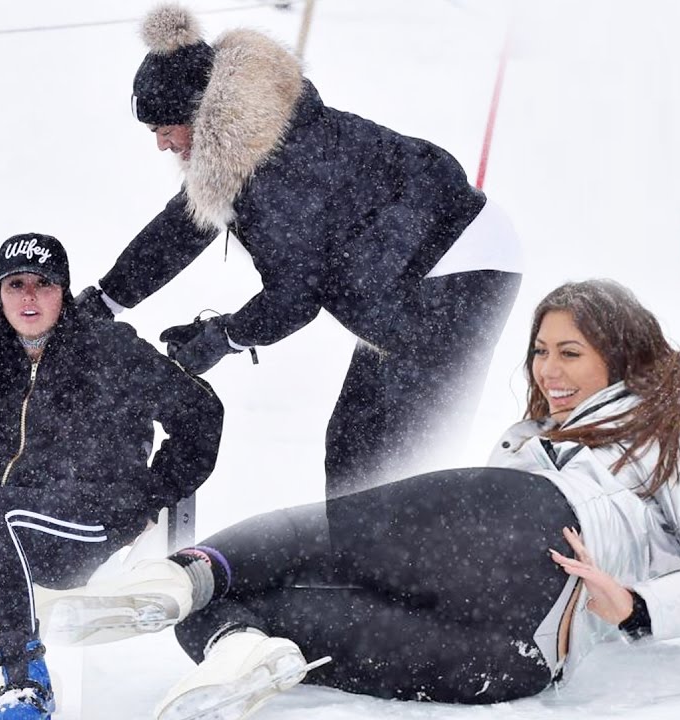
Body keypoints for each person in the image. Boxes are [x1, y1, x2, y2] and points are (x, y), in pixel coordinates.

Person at [51, 279, 680, 720]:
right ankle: (236, 643)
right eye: (540, 352)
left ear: (625, 353)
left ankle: (181, 571)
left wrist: (635, 605)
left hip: (539, 534)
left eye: (571, 352)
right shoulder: (529, 441)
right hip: (517, 658)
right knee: (236, 614)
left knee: (328, 535)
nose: (548, 371)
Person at [74, 3, 523, 498]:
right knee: (355, 449)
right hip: (412, 270)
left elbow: (296, 295)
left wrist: (223, 337)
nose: (162, 145)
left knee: (400, 455)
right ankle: (364, 544)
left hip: (458, 265)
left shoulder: (277, 167)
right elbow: (183, 227)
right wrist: (107, 299)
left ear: (201, 114)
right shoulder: (248, 139)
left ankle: (417, 544)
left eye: (165, 130)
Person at [0, 233, 225, 720]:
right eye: (16, 284)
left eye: (43, 284)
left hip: (90, 523)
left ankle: (27, 682)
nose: (28, 297)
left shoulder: (109, 350)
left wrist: (150, 496)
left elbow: (200, 414)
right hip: (7, 531)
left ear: (63, 292)